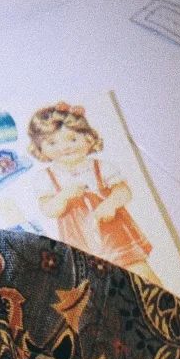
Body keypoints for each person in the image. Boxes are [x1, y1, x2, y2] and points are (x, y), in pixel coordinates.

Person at [28, 101, 159, 282]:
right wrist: (64, 196)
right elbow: (48, 210)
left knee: (139, 273)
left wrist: (110, 204)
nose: (65, 147)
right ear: (39, 148)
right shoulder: (46, 177)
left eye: (73, 139)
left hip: (113, 232)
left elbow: (124, 192)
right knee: (99, 284)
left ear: (89, 139)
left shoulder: (101, 167)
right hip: (80, 240)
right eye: (52, 142)